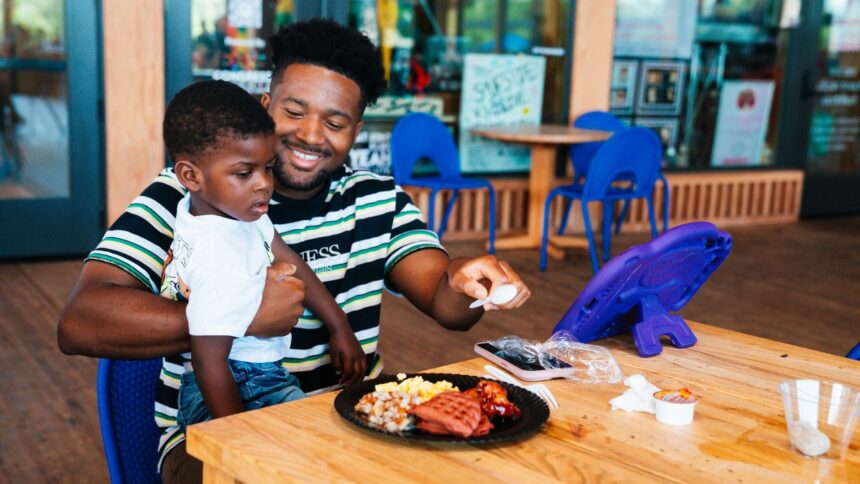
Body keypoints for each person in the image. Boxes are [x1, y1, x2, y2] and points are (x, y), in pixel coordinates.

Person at [57, 18, 531, 483]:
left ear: (356, 130)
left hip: (352, 423)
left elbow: (446, 302)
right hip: (214, 437)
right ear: (266, 105)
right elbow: (80, 321)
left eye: (336, 121)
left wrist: (466, 277)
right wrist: (239, 314)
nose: (310, 135)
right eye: (294, 111)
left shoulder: (377, 199)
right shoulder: (187, 197)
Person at [160, 79, 365, 431]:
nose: (264, 183)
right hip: (232, 387)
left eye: (267, 167)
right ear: (190, 175)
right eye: (244, 173)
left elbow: (291, 260)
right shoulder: (217, 253)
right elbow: (209, 361)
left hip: (259, 376)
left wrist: (339, 324)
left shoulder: (231, 211)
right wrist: (238, 441)